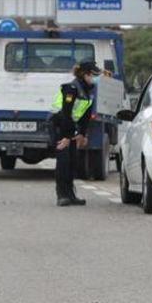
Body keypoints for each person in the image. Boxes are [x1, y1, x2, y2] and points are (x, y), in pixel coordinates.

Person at [50, 59, 101, 206]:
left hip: (70, 127)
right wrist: (66, 137)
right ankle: (62, 195)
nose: (95, 78)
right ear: (84, 74)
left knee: (73, 162)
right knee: (64, 162)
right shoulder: (71, 88)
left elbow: (85, 115)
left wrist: (82, 134)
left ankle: (71, 195)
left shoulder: (88, 91)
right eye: (92, 74)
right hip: (59, 126)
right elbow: (66, 114)